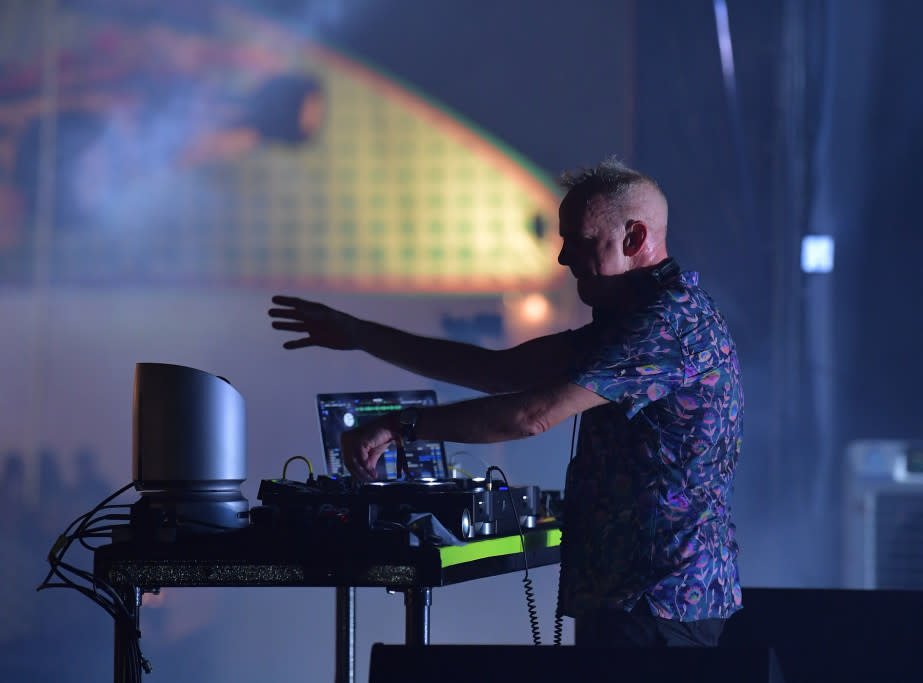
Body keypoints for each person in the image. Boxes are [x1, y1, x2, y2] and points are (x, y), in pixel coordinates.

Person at [268, 157, 743, 647]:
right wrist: (360, 334)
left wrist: (401, 425)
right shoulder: (637, 321)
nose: (562, 258)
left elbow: (531, 416)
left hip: (656, 601)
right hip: (641, 596)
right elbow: (496, 373)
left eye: (579, 240)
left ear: (634, 240)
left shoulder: (664, 326)